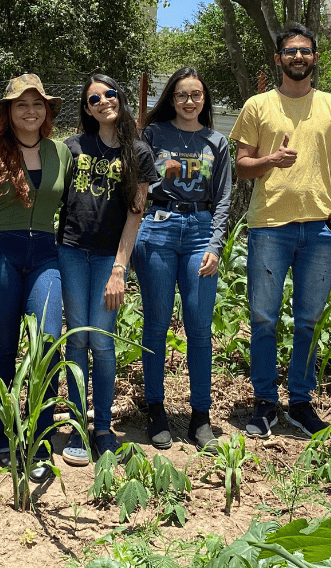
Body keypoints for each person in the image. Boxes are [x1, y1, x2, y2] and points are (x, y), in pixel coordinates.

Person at [232, 22, 331, 438]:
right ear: (277, 58)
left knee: (309, 321)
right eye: (290, 51)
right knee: (263, 318)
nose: (298, 57)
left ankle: (301, 403)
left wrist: (308, 185)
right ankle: (265, 402)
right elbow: (241, 166)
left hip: (320, 228)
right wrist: (271, 161)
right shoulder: (257, 105)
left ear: (315, 58)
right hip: (269, 226)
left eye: (304, 51)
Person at [0, 74, 72, 479]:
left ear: (47, 111)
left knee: (47, 344)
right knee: (3, 346)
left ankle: (41, 439)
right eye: (21, 105)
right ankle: (4, 434)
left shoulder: (60, 153)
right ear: (8, 112)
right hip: (1, 253)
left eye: (37, 104)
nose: (30, 111)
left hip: (45, 253)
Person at [56, 74, 156, 465]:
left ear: (120, 97)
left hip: (107, 259)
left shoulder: (138, 153)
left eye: (109, 94)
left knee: (101, 341)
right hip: (70, 251)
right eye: (94, 99)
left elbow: (135, 214)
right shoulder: (72, 148)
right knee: (76, 339)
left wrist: (119, 269)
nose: (103, 102)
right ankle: (77, 426)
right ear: (86, 108)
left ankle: (102, 428)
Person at [137, 67, 232, 451]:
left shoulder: (216, 142)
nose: (189, 101)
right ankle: (155, 410)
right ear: (172, 99)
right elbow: (137, 186)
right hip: (158, 229)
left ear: (204, 99)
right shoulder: (153, 135)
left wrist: (215, 245)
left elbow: (223, 198)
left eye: (196, 95)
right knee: (156, 324)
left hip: (200, 233)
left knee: (199, 328)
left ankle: (200, 417)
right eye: (181, 95)